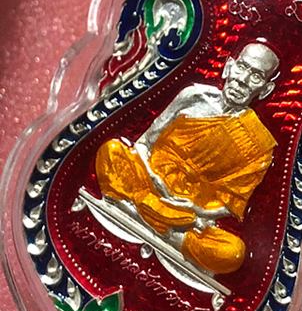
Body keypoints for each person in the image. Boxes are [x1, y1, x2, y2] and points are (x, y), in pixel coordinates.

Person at [95, 42, 279, 275]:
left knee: (233, 253)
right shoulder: (192, 96)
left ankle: (140, 213)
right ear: (228, 67)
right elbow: (144, 143)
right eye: (242, 67)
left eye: (256, 77)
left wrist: (195, 208)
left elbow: (231, 204)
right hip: (148, 183)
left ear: (266, 90)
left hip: (189, 214)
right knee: (111, 151)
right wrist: (151, 175)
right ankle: (167, 231)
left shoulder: (259, 143)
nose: (243, 80)